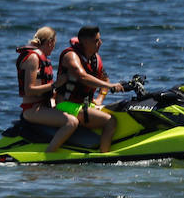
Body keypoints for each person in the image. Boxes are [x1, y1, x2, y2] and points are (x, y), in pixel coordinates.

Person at [54, 25, 135, 153]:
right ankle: (104, 156)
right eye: (96, 41)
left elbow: (105, 79)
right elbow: (82, 77)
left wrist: (100, 98)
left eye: (99, 40)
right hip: (66, 105)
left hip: (86, 104)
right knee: (110, 121)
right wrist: (110, 86)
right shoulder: (71, 56)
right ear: (85, 42)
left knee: (120, 112)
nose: (100, 43)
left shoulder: (95, 59)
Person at [15, 26, 80, 152]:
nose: (54, 47)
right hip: (33, 109)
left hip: (44, 106)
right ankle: (49, 153)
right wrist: (55, 84)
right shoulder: (33, 58)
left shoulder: (41, 58)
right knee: (71, 122)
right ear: (50, 42)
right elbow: (29, 90)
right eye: (54, 43)